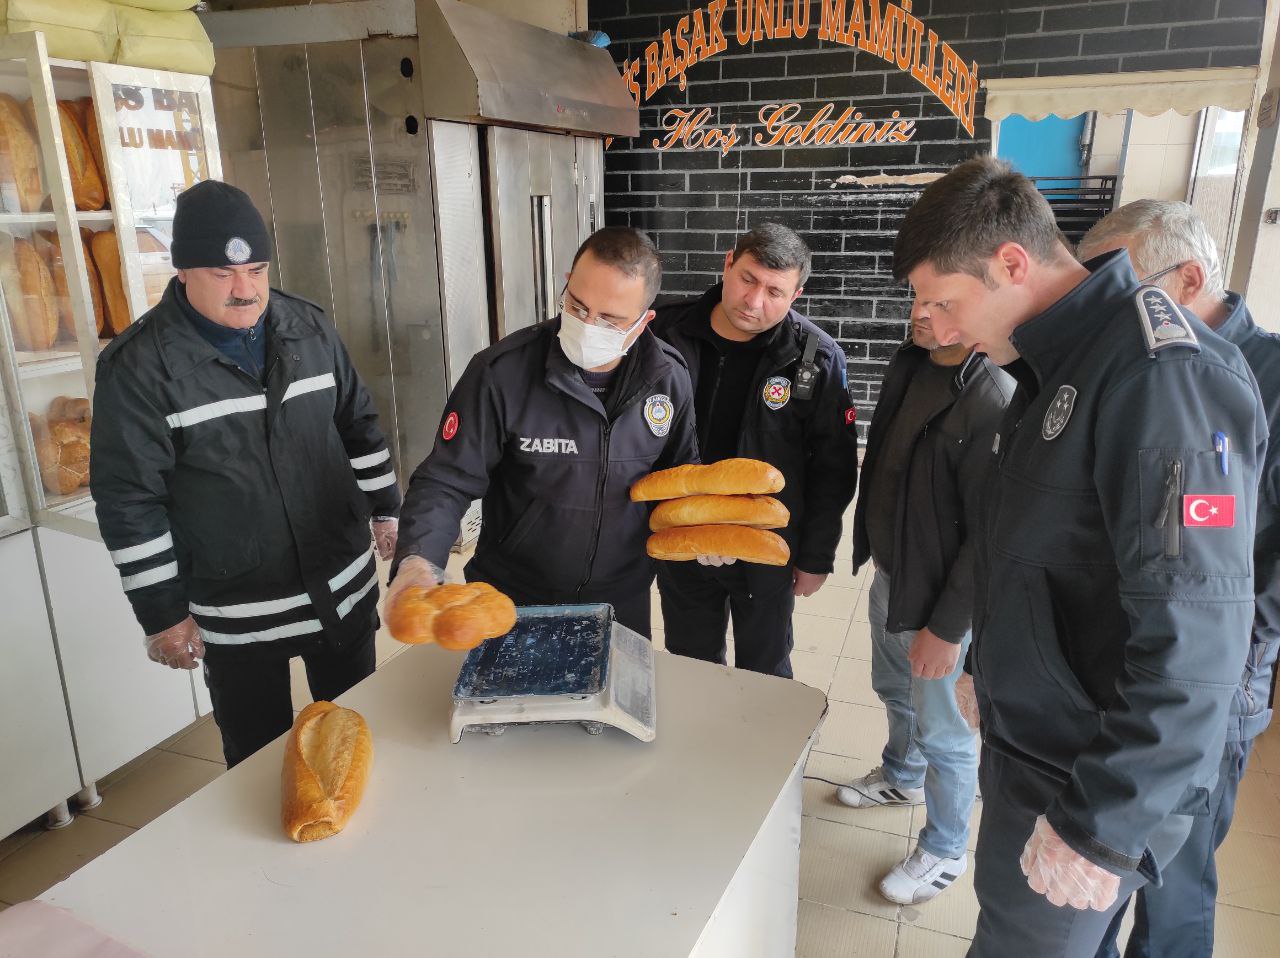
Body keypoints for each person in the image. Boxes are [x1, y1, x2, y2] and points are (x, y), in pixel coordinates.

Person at [894, 157, 1265, 958]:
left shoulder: (1160, 374)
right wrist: (988, 664)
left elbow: (1197, 636)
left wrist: (1104, 825)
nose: (941, 331)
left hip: (1088, 776)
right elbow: (1042, 550)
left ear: (1012, 263)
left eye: (945, 303)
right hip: (1038, 748)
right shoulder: (1057, 362)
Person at [90, 180, 400, 768]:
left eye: (256, 270)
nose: (245, 289)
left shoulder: (308, 328)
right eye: (223, 274)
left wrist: (386, 508)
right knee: (257, 765)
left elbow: (358, 425)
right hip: (238, 614)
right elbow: (130, 500)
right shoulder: (138, 368)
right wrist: (163, 614)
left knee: (353, 746)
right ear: (183, 271)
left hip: (339, 586)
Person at [1077, 200, 1280, 958]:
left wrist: (1231, 659)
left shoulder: (1267, 376)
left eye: (1119, 288)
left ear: (1188, 280)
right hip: (1126, 663)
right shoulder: (1134, 364)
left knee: (1173, 888)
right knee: (1096, 871)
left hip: (1211, 688)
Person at [390, 227, 697, 635]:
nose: (588, 325)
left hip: (621, 596)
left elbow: (680, 477)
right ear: (567, 283)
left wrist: (705, 532)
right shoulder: (501, 373)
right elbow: (447, 478)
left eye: (610, 320)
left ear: (643, 321)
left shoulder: (668, 380)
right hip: (512, 595)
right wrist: (419, 558)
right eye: (577, 305)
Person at [836, 309, 1012, 903]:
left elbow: (988, 536)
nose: (920, 311)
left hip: (940, 603)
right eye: (919, 296)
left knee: (946, 730)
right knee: (893, 687)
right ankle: (902, 775)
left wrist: (948, 627)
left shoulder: (993, 395)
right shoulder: (911, 361)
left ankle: (945, 848)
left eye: (941, 302)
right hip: (895, 574)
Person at [648, 223, 859, 678]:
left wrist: (816, 556)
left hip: (767, 541)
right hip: (683, 530)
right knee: (689, 665)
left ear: (796, 295)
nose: (754, 301)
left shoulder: (816, 358)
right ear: (728, 263)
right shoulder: (663, 329)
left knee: (765, 670)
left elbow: (834, 468)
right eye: (748, 279)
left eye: (774, 292)